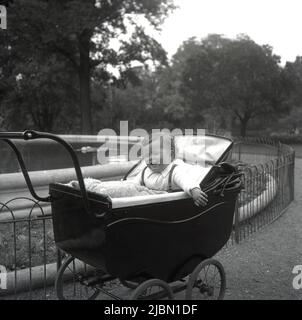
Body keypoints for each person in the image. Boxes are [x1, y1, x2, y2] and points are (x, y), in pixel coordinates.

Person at [129, 132, 208, 207]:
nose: (151, 158)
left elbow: (186, 181)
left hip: (197, 177)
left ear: (170, 154)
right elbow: (132, 186)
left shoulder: (174, 171)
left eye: (155, 153)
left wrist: (194, 191)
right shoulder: (144, 172)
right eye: (147, 155)